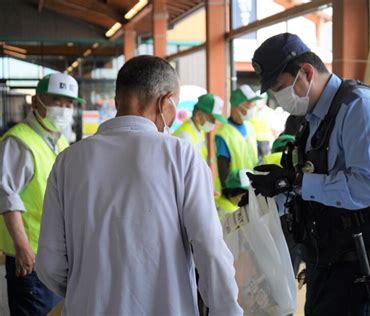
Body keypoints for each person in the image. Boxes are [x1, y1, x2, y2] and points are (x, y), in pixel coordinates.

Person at [35, 55, 242, 315]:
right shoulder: (181, 156)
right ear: (166, 101)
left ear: (116, 101)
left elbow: (49, 263)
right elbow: (209, 250)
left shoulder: (68, 161)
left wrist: (89, 289)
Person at [247, 33, 370, 315]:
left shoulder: (358, 107)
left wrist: (297, 182)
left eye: (279, 87)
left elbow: (368, 186)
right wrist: (272, 197)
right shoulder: (312, 119)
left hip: (364, 265)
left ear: (306, 72)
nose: (277, 98)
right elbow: (313, 178)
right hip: (327, 260)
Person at [0, 72, 82, 316]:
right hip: (30, 256)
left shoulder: (59, 142)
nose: (64, 109)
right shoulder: (18, 141)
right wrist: (22, 246)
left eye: (69, 104)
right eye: (57, 101)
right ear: (36, 103)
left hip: (53, 254)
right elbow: (7, 195)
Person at [214, 85, 259, 192]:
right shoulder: (223, 133)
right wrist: (228, 193)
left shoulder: (250, 128)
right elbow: (223, 170)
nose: (252, 108)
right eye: (249, 106)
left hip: (251, 188)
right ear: (237, 106)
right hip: (234, 193)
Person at [174, 93, 227, 161]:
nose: (214, 123)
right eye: (211, 119)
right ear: (198, 115)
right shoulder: (185, 136)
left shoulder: (199, 129)